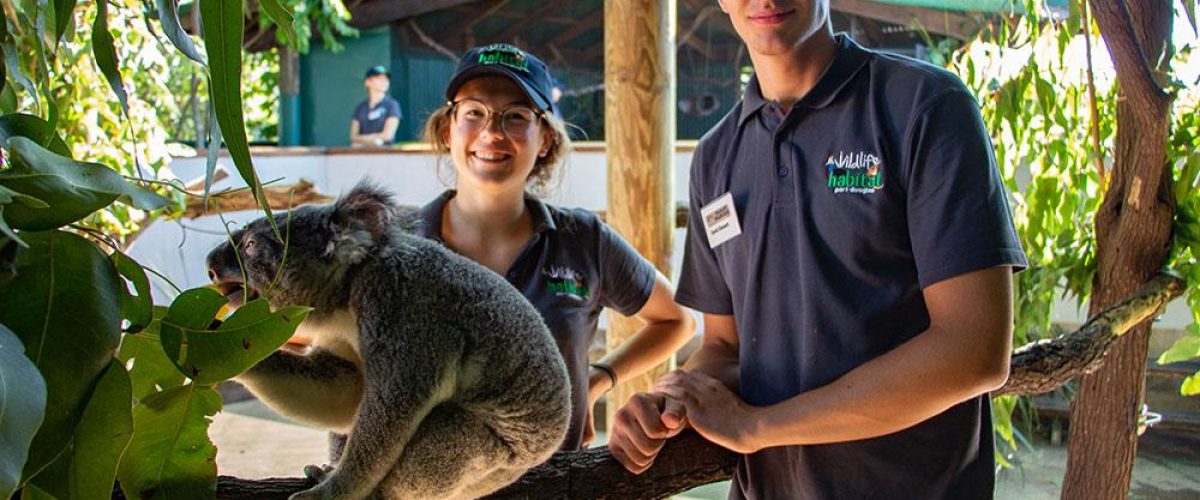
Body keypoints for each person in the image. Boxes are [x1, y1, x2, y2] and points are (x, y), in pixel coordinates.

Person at [607, 1, 1028, 498]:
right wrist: (670, 399)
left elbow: (973, 349)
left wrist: (756, 427)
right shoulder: (717, 157)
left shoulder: (924, 106)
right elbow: (724, 348)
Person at [418, 43, 695, 450]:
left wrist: (598, 378)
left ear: (545, 138)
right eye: (474, 112)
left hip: (553, 483)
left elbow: (676, 320)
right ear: (448, 128)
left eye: (515, 116)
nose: (492, 133)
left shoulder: (581, 241)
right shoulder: (397, 244)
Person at [350, 65, 402, 147]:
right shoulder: (360, 108)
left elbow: (388, 135)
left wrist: (364, 140)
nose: (384, 82)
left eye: (386, 79)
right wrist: (373, 140)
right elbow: (353, 136)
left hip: (385, 154)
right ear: (368, 82)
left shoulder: (392, 105)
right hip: (362, 154)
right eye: (379, 78)